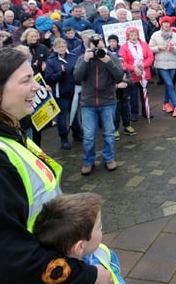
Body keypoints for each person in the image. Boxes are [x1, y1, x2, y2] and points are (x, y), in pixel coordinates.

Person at [0, 48, 114, 284]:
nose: (38, 87)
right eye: (26, 80)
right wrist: (84, 278)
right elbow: (12, 256)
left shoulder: (3, 134)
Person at [32, 192, 127, 284]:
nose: (102, 228)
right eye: (99, 227)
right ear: (80, 247)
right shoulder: (100, 255)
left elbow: (116, 278)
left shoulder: (101, 251)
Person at [73, 35, 124, 175]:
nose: (97, 48)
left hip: (107, 102)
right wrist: (85, 60)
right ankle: (88, 161)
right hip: (88, 103)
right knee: (89, 136)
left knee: (109, 133)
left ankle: (109, 159)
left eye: (99, 45)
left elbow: (120, 76)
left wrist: (108, 61)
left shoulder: (111, 57)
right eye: (94, 45)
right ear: (89, 46)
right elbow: (77, 78)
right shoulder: (82, 58)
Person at [45, 37, 83, 150]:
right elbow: (49, 78)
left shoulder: (73, 57)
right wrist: (60, 73)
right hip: (61, 93)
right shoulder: (51, 61)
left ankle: (77, 133)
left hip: (74, 91)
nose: (61, 48)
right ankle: (64, 138)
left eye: (63, 46)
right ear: (54, 48)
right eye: (59, 47)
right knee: (62, 117)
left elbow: (78, 71)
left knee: (75, 114)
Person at [150, 16, 176, 117]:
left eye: (168, 23)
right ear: (161, 24)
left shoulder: (175, 36)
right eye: (164, 22)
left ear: (170, 24)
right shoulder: (155, 35)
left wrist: (173, 48)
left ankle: (165, 103)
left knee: (169, 85)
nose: (166, 24)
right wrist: (158, 48)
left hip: (172, 64)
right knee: (169, 84)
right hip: (160, 64)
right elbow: (149, 48)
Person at [119, 27, 154, 122]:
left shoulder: (144, 44)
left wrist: (143, 65)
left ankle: (146, 111)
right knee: (133, 95)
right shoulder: (124, 47)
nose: (134, 37)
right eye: (131, 35)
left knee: (145, 93)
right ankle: (134, 113)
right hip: (132, 75)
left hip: (144, 73)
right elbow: (123, 62)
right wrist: (134, 68)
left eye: (135, 35)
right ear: (128, 36)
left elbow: (150, 57)